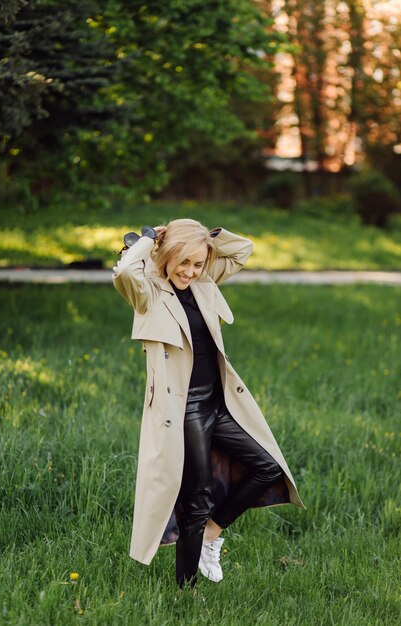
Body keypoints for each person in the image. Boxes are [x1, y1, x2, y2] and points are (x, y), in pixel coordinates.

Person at [112, 218, 304, 588]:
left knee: (266, 467)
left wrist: (204, 238)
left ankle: (212, 535)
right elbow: (123, 271)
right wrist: (152, 238)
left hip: (219, 403)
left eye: (197, 263)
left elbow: (242, 249)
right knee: (197, 499)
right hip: (184, 411)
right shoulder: (148, 292)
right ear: (166, 256)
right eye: (182, 262)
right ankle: (185, 593)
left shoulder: (202, 282)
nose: (190, 271)